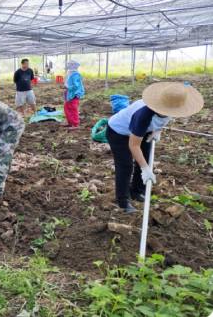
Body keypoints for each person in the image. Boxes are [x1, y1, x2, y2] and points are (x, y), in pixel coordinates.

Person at [106, 82, 203, 213]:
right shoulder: (143, 115)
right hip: (119, 132)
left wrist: (157, 130)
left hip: (143, 131)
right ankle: (123, 201)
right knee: (126, 165)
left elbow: (164, 118)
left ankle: (136, 191)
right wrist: (145, 169)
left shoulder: (171, 105)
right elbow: (133, 145)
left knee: (146, 156)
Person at [63, 60, 85, 130]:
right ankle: (70, 122)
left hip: (74, 94)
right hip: (70, 94)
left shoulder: (75, 74)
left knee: (73, 108)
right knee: (67, 107)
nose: (68, 66)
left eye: (69, 65)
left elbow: (76, 86)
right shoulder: (71, 73)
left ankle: (75, 124)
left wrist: (68, 87)